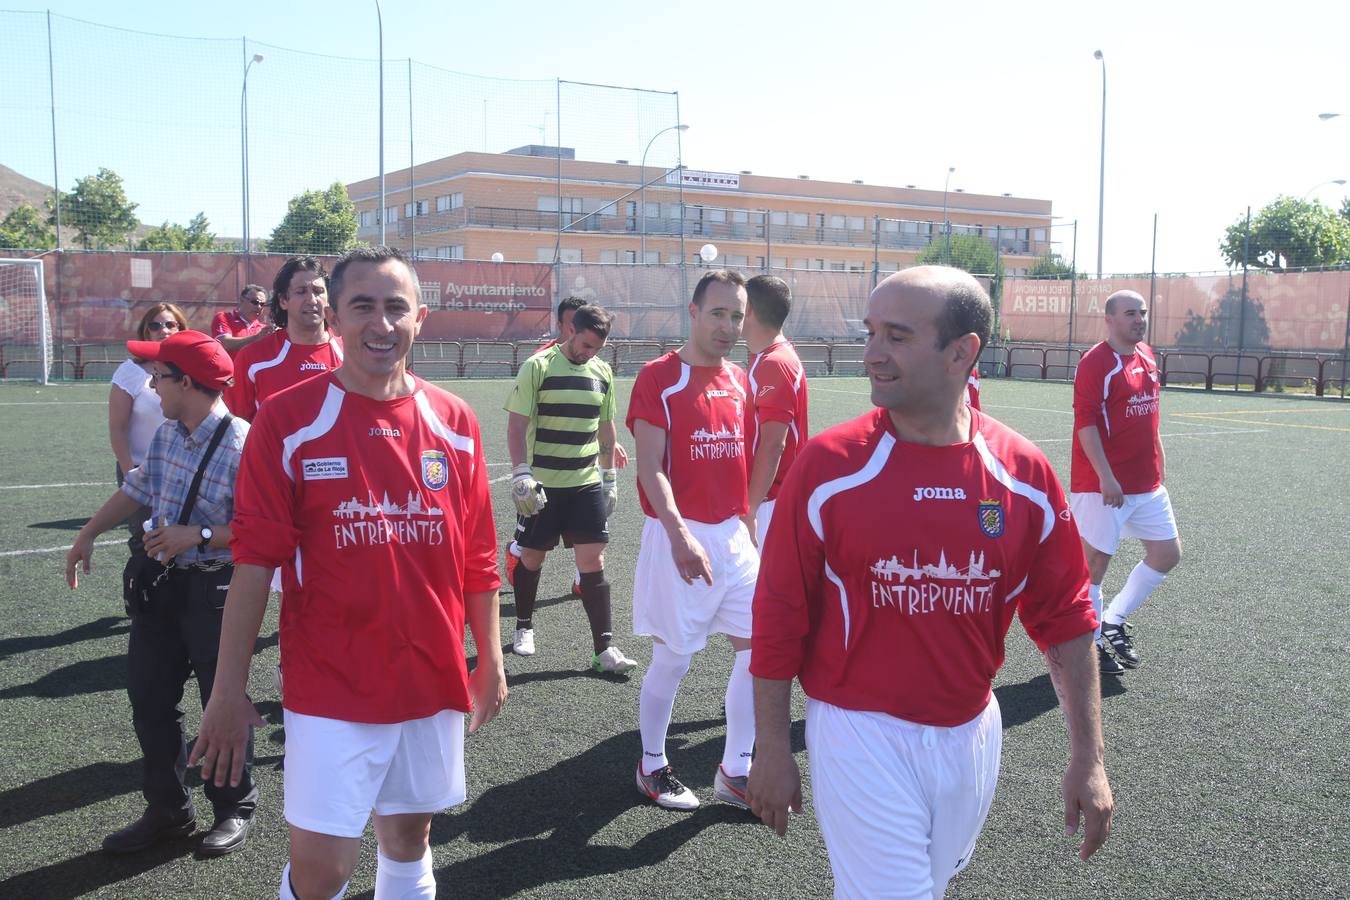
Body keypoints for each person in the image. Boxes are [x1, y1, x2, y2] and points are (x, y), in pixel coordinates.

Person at [747, 267, 1113, 899]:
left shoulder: (1024, 474)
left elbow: (1068, 618)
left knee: (932, 885)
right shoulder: (829, 468)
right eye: (870, 333)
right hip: (857, 730)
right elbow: (779, 614)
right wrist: (772, 745)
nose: (871, 354)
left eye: (897, 336)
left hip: (972, 732)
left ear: (962, 352)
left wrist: (1089, 754)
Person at [191, 246, 506, 900]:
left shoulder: (457, 423)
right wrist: (227, 689)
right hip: (332, 682)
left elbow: (477, 558)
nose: (380, 324)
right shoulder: (288, 420)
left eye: (396, 308)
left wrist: (492, 659)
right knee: (322, 872)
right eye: (363, 306)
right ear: (335, 316)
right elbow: (253, 565)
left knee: (408, 841)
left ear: (421, 318)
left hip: (431, 676)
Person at [67, 329, 257, 857]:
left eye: (161, 376)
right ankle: (167, 811)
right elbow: (137, 488)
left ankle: (233, 807)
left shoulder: (243, 443)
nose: (151, 386)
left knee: (221, 703)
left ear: (189, 383)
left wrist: (194, 534)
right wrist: (87, 534)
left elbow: (262, 530)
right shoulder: (170, 434)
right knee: (150, 701)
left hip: (215, 591)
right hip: (162, 589)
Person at [627, 269, 758, 811]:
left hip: (733, 538)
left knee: (762, 653)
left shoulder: (741, 380)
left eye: (737, 316)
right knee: (674, 658)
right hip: (678, 534)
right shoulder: (659, 377)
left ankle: (736, 770)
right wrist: (681, 534)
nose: (728, 326)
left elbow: (740, 461)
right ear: (694, 312)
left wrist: (746, 525)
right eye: (719, 313)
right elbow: (651, 466)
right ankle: (652, 764)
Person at [504, 303, 636, 674]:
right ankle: (524, 626)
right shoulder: (538, 366)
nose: (588, 352)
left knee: (593, 562)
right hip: (543, 485)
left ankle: (604, 649)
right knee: (531, 558)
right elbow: (516, 427)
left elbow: (606, 427)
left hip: (585, 485)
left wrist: (609, 477)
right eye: (585, 344)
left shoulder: (602, 372)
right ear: (570, 331)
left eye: (596, 347)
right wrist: (520, 474)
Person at [1070, 289, 1182, 677]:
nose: (1139, 319)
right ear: (1110, 319)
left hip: (1147, 483)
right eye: (1130, 313)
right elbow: (1085, 423)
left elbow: (1151, 417)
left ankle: (1113, 620)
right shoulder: (1095, 363)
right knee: (1095, 565)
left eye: (1143, 312)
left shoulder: (1148, 355)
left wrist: (1159, 462)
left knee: (1167, 554)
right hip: (1102, 485)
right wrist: (1106, 477)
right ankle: (1090, 642)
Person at [226, 257, 343, 421]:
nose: (312, 300)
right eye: (301, 291)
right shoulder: (252, 357)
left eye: (318, 291)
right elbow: (238, 426)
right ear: (283, 301)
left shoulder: (351, 352)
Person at [741, 275, 809, 548]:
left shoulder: (774, 363)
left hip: (769, 503)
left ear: (748, 310)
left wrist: (750, 510)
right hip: (769, 500)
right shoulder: (769, 358)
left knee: (759, 589)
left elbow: (773, 444)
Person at [212, 284, 277, 357]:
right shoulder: (224, 317)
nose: (259, 307)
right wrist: (257, 337)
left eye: (262, 304)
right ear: (242, 300)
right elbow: (224, 343)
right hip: (232, 368)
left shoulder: (264, 330)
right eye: (255, 302)